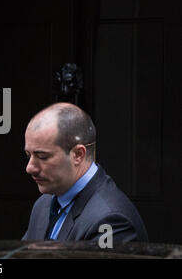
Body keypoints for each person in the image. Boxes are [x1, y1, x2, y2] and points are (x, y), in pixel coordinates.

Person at [22, 103, 148, 242]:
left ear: (78, 155)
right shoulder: (43, 205)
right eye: (29, 155)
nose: (30, 168)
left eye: (42, 157)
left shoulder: (110, 221)